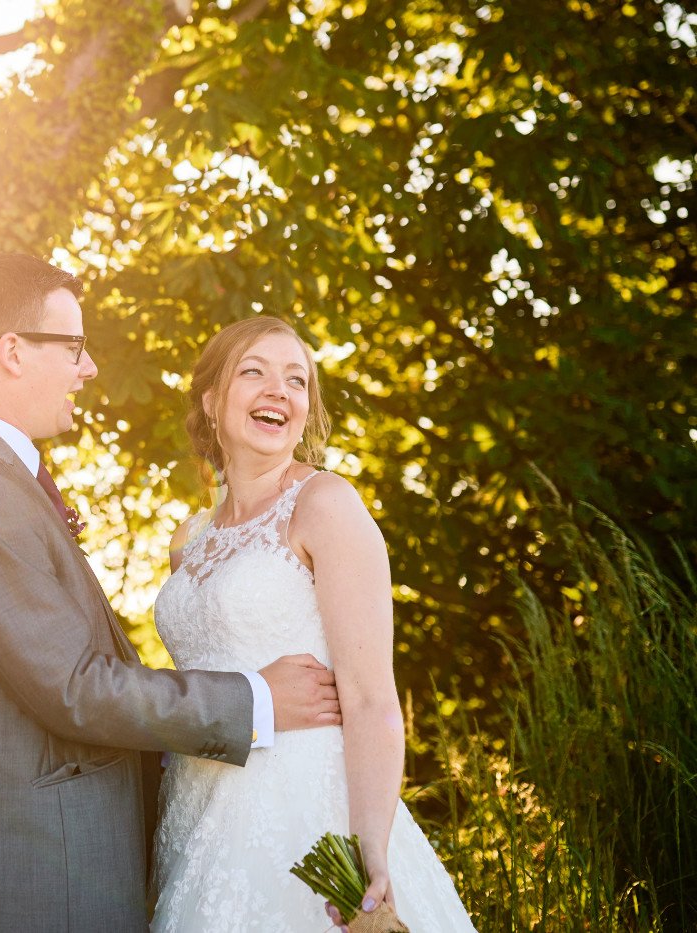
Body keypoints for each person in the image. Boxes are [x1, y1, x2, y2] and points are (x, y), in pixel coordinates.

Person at [0, 254, 343, 932]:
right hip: (20, 882)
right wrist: (257, 699)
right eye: (73, 346)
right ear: (12, 352)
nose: (89, 367)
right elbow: (73, 686)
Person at [149, 315, 476, 931]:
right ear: (212, 400)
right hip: (196, 810)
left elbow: (372, 695)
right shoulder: (186, 539)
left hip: (303, 812)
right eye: (255, 372)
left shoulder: (325, 504)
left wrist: (370, 849)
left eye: (296, 380)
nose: (279, 391)